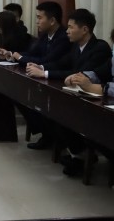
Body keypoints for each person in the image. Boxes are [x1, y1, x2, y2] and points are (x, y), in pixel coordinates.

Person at [25, 9, 111, 176]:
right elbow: (61, 63)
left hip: (96, 100)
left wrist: (45, 74)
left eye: (71, 27)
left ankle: (81, 156)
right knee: (54, 113)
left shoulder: (100, 47)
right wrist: (41, 67)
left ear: (84, 29)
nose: (67, 31)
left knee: (64, 116)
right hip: (79, 95)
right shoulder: (76, 47)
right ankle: (77, 154)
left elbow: (80, 73)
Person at [0, 1, 71, 150]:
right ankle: (46, 133)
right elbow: (32, 54)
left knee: (31, 99)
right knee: (17, 95)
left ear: (52, 20)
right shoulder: (45, 35)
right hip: (42, 77)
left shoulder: (63, 37)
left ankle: (52, 136)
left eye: (39, 17)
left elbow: (48, 60)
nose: (37, 21)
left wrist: (20, 57)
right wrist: (12, 54)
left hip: (58, 80)